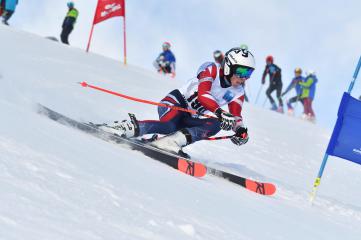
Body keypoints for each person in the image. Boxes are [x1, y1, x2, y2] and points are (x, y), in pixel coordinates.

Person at [100, 47, 254, 155]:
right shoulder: (211, 68)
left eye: (249, 73)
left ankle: (170, 142)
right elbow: (203, 94)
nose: (244, 77)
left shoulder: (238, 91)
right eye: (241, 71)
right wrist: (220, 112)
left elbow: (236, 116)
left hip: (191, 117)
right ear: (228, 66)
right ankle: (123, 127)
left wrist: (240, 130)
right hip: (175, 103)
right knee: (168, 125)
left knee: (216, 123)